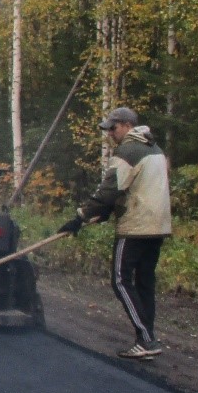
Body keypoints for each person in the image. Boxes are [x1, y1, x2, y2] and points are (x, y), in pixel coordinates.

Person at [61, 106, 172, 360]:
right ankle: (147, 339)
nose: (110, 134)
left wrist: (79, 217)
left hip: (136, 226)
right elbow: (139, 188)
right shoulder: (155, 149)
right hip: (158, 226)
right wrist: (108, 213)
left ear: (126, 125)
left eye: (113, 128)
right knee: (145, 283)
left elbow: (109, 190)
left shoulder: (128, 151)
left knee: (120, 280)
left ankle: (145, 339)